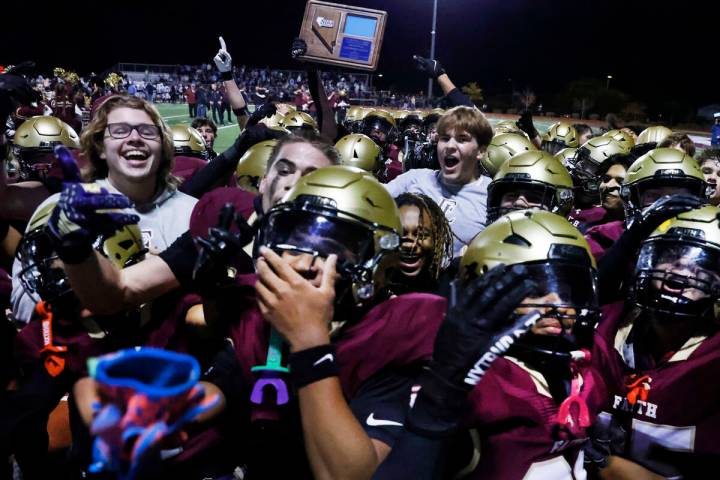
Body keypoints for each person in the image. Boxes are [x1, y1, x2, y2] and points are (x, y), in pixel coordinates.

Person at [374, 210, 606, 480]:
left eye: (568, 291)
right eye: (536, 289)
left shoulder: (582, 368)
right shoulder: (473, 380)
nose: (557, 304)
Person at [49, 133, 340, 317]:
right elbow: (122, 291)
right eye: (285, 169)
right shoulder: (226, 220)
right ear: (263, 182)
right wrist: (76, 249)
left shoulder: (344, 250)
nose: (292, 181)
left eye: (310, 175)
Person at [11, 94, 198, 324]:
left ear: (164, 146)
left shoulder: (194, 213)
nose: (135, 138)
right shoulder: (61, 208)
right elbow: (22, 307)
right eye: (120, 131)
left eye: (147, 131)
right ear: (100, 147)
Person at [587, 205, 720, 478]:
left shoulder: (713, 359)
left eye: (703, 262)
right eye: (670, 254)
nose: (683, 266)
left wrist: (614, 470)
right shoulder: (603, 326)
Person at [385, 106, 494, 257]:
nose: (449, 146)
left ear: (481, 151)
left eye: (462, 139)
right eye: (445, 138)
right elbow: (373, 201)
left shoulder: (492, 195)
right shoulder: (413, 179)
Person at [393, 192, 453, 294]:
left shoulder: (449, 292)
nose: (410, 245)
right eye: (401, 234)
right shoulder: (372, 292)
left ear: (436, 238)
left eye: (421, 235)